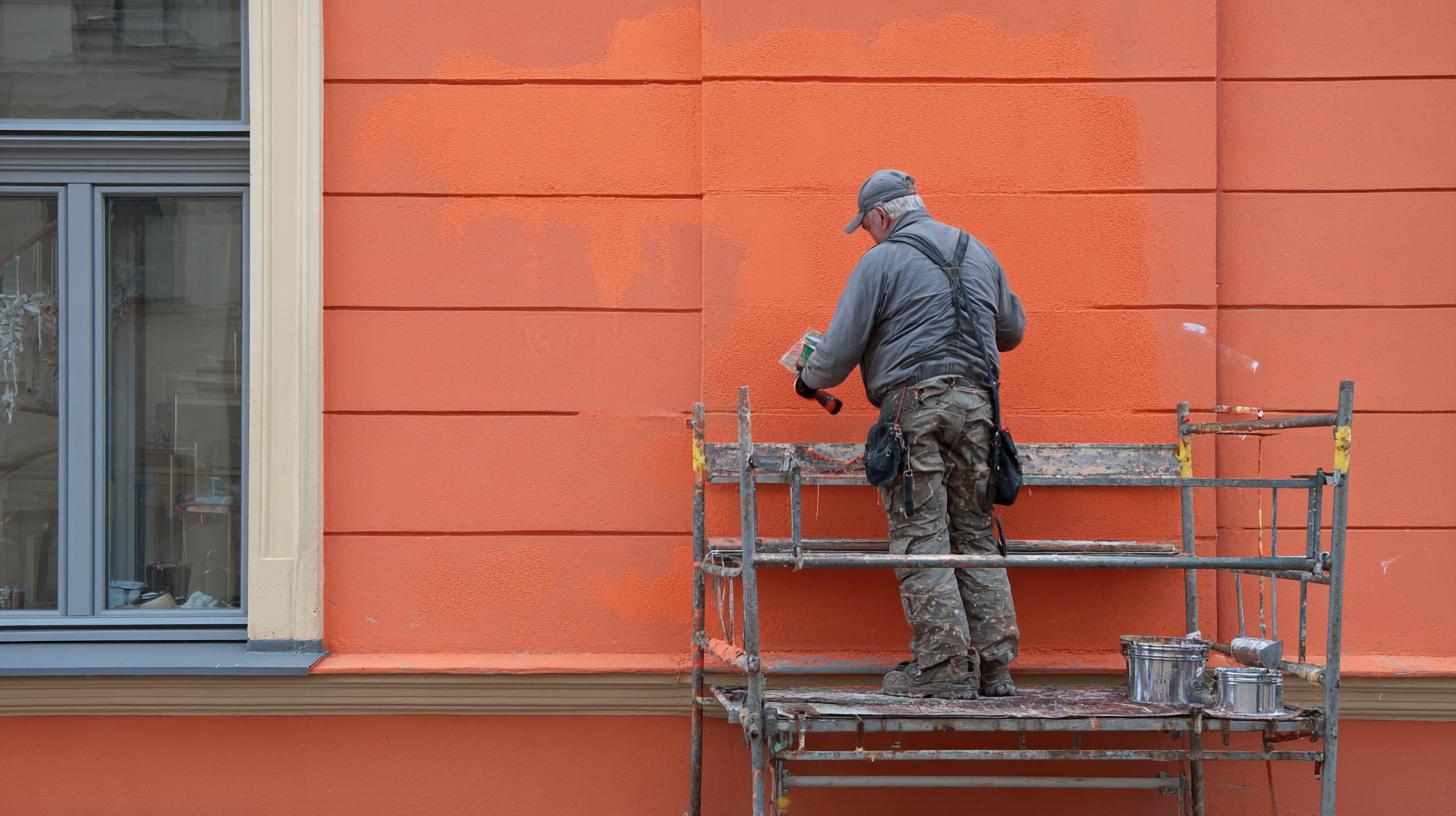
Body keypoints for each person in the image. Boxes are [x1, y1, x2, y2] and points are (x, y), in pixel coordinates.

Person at [795, 169, 1027, 699]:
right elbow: (1012, 330)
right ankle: (994, 668)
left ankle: (944, 668)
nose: (870, 236)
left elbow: (835, 354)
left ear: (880, 216)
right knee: (973, 537)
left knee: (922, 538)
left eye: (868, 227)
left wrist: (808, 380)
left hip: (913, 410)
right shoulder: (978, 251)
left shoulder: (881, 260)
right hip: (978, 411)